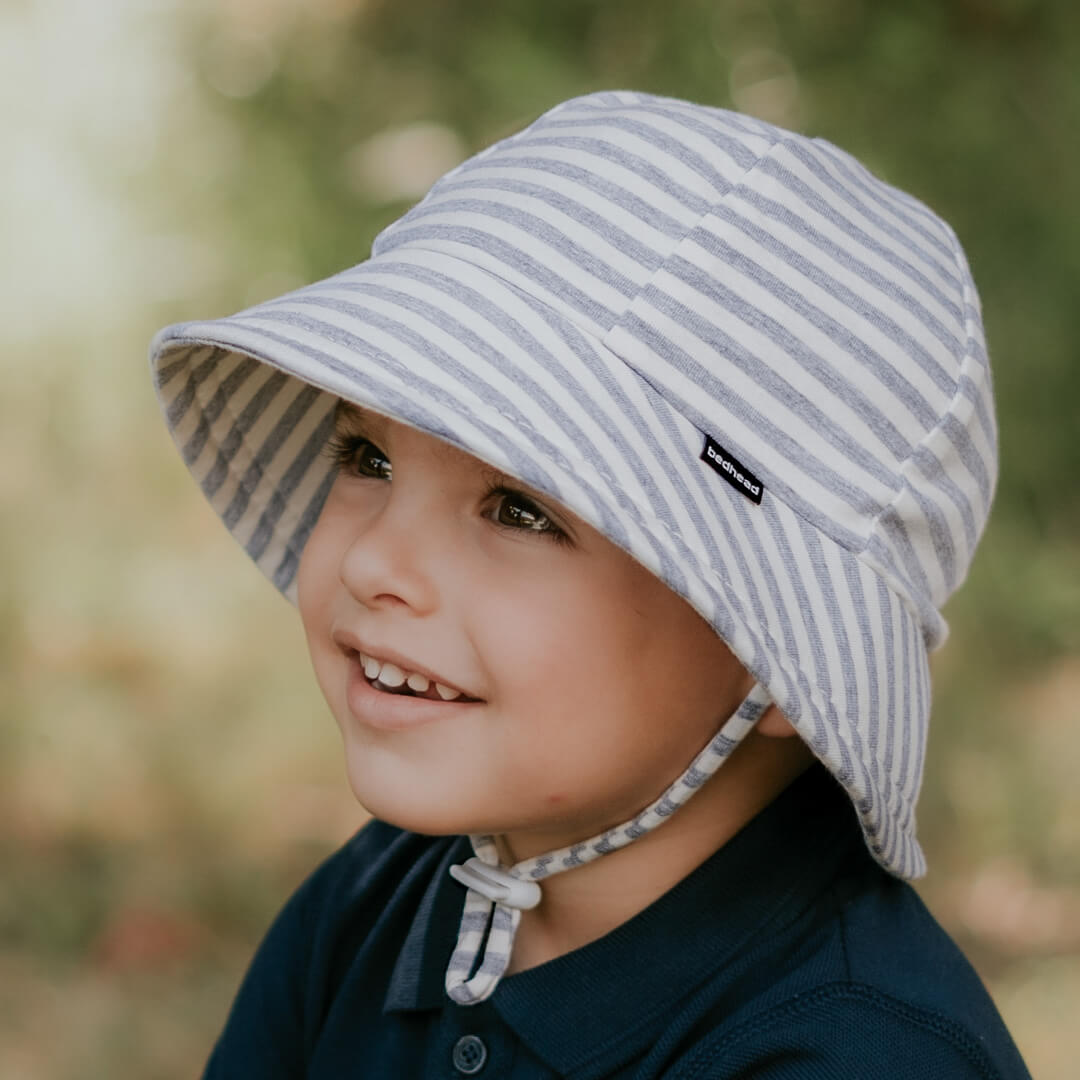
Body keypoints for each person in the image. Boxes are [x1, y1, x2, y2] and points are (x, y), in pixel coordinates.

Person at [150, 91, 1032, 1077]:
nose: (372, 562)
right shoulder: (372, 909)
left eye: (521, 510)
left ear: (776, 658)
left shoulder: (854, 1054)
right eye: (368, 456)